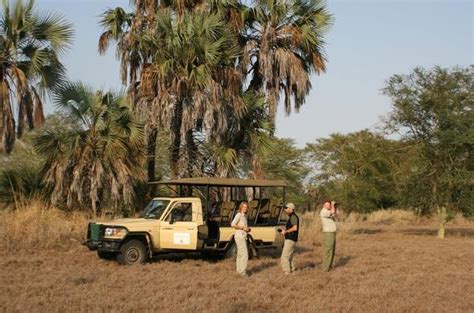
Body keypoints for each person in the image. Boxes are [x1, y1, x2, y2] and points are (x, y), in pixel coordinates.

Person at [231, 201, 251, 277]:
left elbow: (243, 226)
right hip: (239, 236)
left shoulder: (244, 216)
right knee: (245, 254)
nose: (245, 209)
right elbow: (232, 224)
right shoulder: (239, 215)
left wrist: (247, 229)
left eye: (246, 207)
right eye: (244, 207)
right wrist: (243, 228)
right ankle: (243, 272)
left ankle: (239, 270)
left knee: (240, 254)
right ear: (241, 207)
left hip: (242, 236)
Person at [280, 203, 299, 274]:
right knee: (290, 256)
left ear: (291, 209)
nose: (285, 209)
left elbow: (295, 228)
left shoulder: (293, 217)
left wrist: (286, 231)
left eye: (286, 208)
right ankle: (292, 270)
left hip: (290, 239)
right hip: (291, 238)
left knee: (284, 256)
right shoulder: (292, 217)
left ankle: (287, 272)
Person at [320, 199, 337, 271]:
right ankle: (325, 268)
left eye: (329, 204)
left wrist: (336, 207)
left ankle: (328, 267)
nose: (329, 205)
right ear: (324, 204)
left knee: (332, 250)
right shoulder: (323, 211)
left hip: (332, 233)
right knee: (328, 250)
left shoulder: (327, 212)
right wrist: (333, 205)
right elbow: (332, 212)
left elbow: (336, 214)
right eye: (328, 204)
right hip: (328, 233)